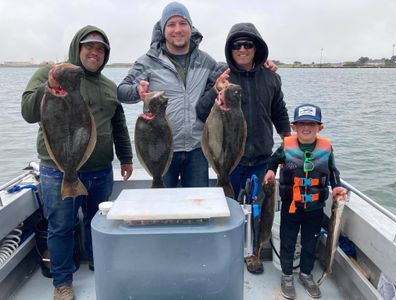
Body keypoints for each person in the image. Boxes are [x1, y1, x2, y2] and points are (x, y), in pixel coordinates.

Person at [21, 25, 133, 300]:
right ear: (77, 48)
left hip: (100, 169)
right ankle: (62, 283)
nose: (94, 53)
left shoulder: (109, 86)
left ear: (105, 56)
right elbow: (27, 112)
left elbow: (118, 124)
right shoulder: (53, 74)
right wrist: (49, 87)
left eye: (100, 49)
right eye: (89, 47)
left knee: (98, 222)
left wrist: (126, 157)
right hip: (58, 169)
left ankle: (99, 260)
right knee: (61, 226)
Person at [118, 2, 276, 188]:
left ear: (190, 27)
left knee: (198, 208)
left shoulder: (206, 61)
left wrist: (261, 64)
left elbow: (236, 68)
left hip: (197, 150)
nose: (178, 29)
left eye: (183, 23)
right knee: (162, 207)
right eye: (171, 24)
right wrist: (137, 91)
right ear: (163, 29)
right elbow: (122, 91)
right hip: (161, 147)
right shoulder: (147, 62)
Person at [196, 22, 290, 273]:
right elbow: (201, 111)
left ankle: (253, 253)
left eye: (248, 44)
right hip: (230, 159)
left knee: (256, 210)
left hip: (261, 159)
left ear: (256, 47)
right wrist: (215, 91)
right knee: (228, 209)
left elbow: (279, 111)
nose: (242, 49)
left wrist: (288, 139)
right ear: (230, 49)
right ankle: (225, 253)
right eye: (237, 45)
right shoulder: (223, 78)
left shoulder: (271, 77)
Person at [263, 104, 347, 299]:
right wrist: (269, 171)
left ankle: (306, 274)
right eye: (301, 124)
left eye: (311, 124)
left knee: (311, 242)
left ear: (320, 128)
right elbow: (273, 161)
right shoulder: (286, 146)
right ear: (293, 127)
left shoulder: (326, 148)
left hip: (315, 208)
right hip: (291, 206)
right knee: (288, 241)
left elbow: (333, 171)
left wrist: (336, 186)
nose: (306, 128)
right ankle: (286, 276)